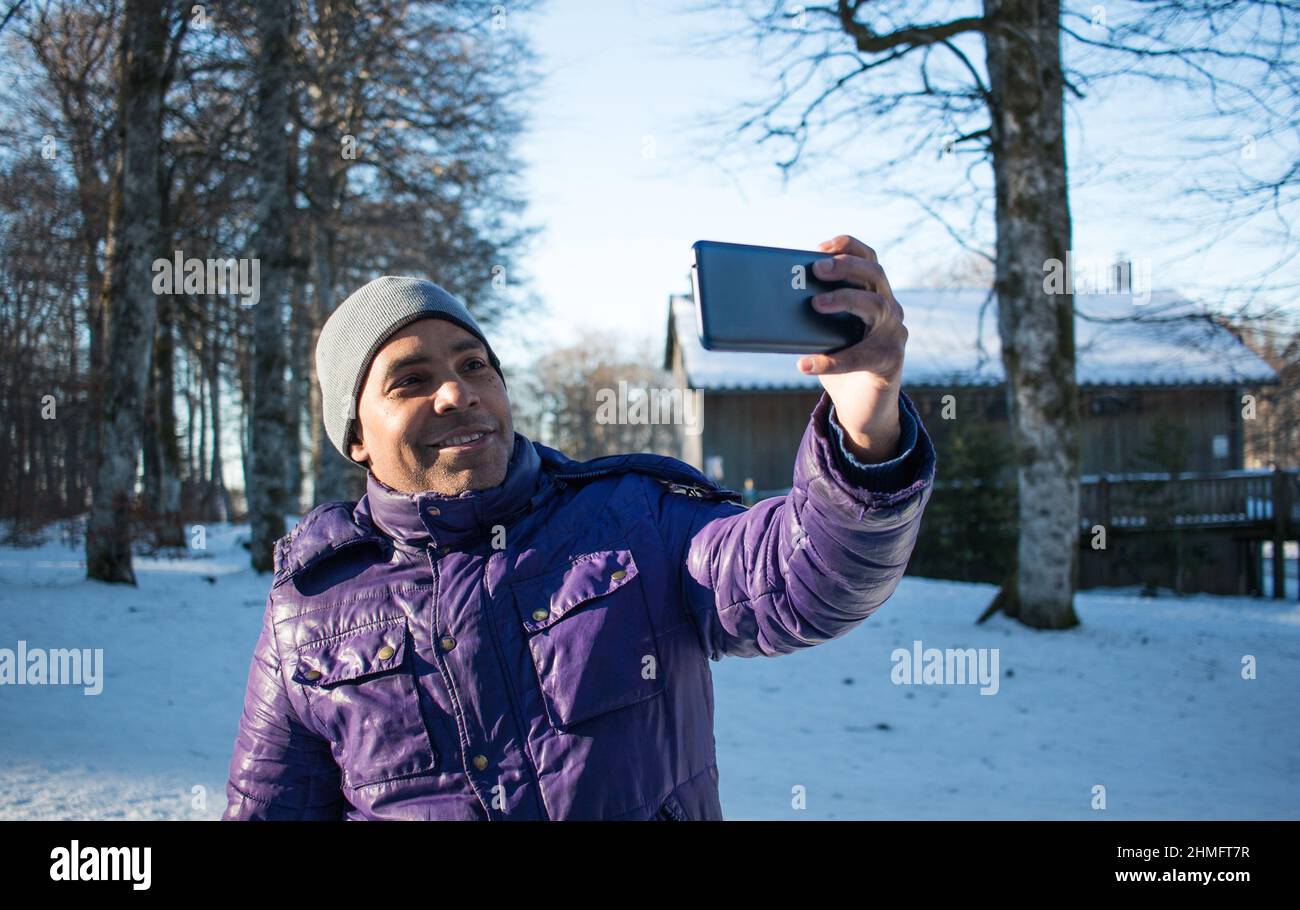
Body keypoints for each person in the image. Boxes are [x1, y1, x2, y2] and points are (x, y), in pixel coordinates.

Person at [222, 233, 935, 820]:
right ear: (354, 437)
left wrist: (867, 422)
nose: (458, 392)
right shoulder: (308, 606)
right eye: (410, 380)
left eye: (475, 366)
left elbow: (800, 579)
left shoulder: (633, 518)